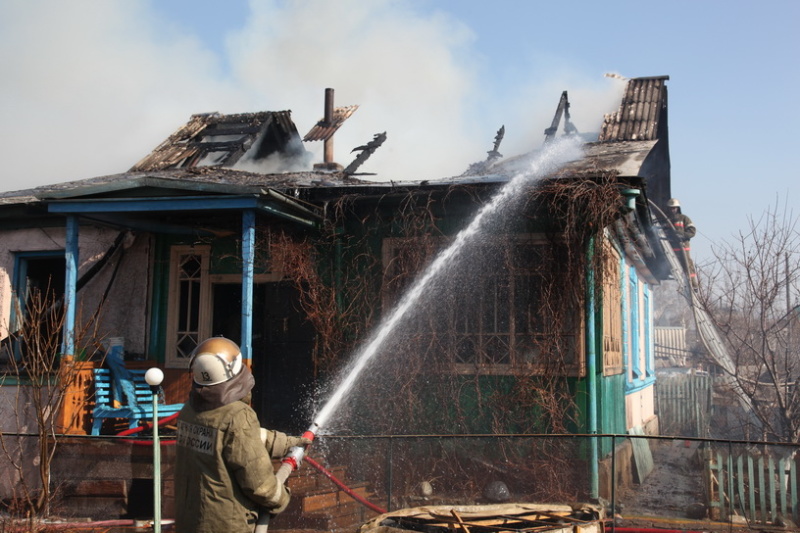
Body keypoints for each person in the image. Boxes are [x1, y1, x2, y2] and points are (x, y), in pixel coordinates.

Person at [175, 337, 310, 533]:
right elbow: (259, 484)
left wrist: (288, 443)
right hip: (226, 524)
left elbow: (241, 439)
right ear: (233, 370)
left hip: (190, 521)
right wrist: (281, 498)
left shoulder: (190, 411)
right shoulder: (237, 415)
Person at [666, 198, 697, 286]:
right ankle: (678, 286)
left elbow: (692, 232)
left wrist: (682, 234)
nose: (673, 210)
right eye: (671, 208)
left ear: (678, 208)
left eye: (674, 208)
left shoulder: (684, 218)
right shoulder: (666, 220)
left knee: (688, 265)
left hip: (683, 248)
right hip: (671, 249)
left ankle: (693, 285)